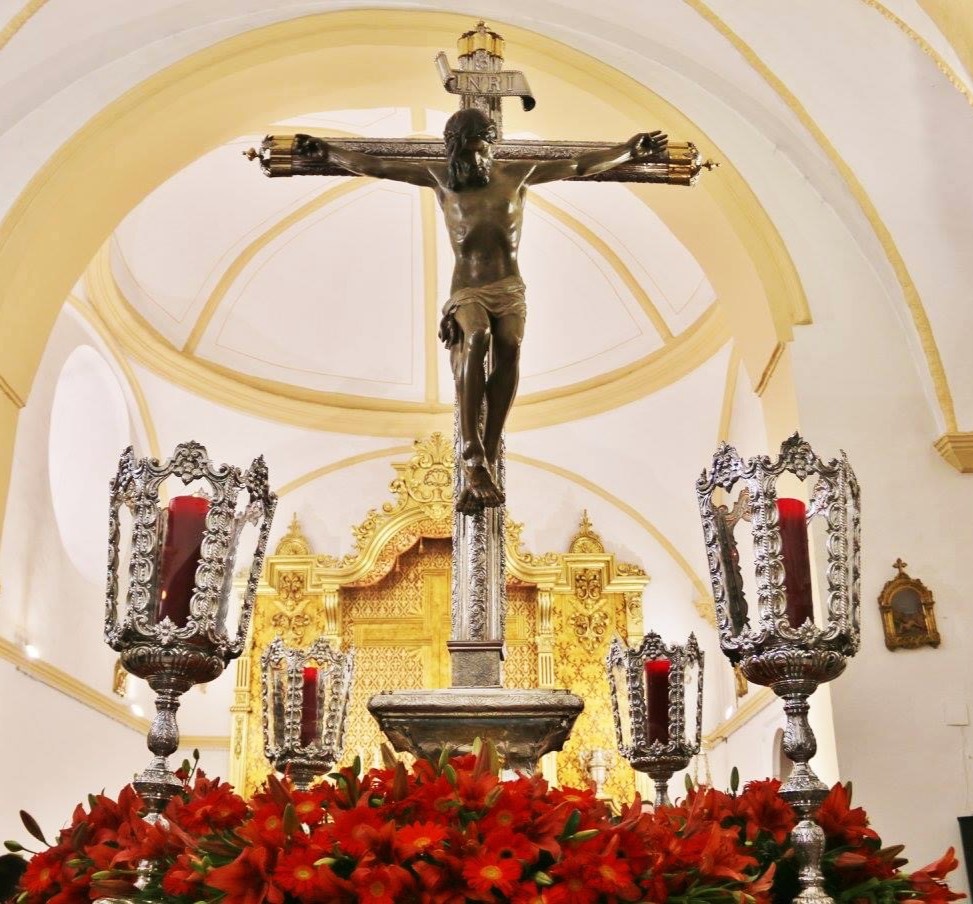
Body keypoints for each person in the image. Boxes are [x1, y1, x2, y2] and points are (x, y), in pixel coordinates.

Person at [292, 109, 667, 513]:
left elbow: (577, 164)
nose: (477, 159)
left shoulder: (517, 174)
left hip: (509, 287)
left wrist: (628, 151)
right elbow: (379, 165)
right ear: (453, 148)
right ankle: (471, 450)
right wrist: (329, 152)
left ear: (492, 145)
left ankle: (485, 459)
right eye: (469, 151)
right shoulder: (439, 177)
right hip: (467, 288)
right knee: (476, 336)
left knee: (511, 344)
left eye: (484, 148)